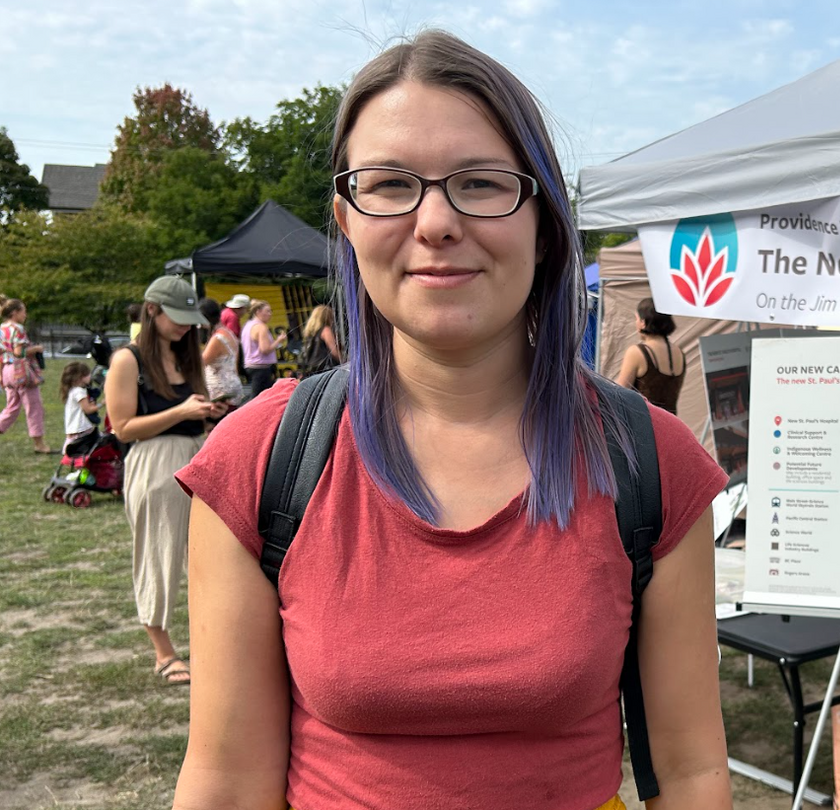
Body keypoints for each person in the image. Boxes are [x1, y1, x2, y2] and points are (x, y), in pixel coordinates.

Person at [172, 30, 731, 810]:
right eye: (392, 185)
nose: (434, 221)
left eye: (480, 183)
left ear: (543, 224)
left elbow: (694, 774)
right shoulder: (258, 462)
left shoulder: (654, 464)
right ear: (347, 219)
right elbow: (228, 782)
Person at [105, 276, 227, 687]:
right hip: (155, 464)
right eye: (178, 318)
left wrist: (209, 411)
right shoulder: (128, 360)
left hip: (197, 455)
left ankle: (214, 642)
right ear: (152, 310)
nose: (185, 327)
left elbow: (188, 411)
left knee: (208, 556)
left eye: (189, 319)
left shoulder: (186, 356)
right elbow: (122, 427)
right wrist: (181, 412)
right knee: (157, 553)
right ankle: (163, 651)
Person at [0, 298, 55, 453]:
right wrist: (36, 348)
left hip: (7, 371)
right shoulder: (18, 329)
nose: (25, 314)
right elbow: (19, 352)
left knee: (11, 407)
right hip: (21, 372)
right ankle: (39, 444)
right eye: (23, 311)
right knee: (34, 407)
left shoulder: (1, 328)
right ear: (14, 313)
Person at [615, 298, 686, 414]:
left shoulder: (637, 352)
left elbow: (619, 393)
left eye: (636, 318)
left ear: (643, 322)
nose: (635, 323)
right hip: (671, 424)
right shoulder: (679, 353)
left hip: (643, 425)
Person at [199, 298, 244, 408]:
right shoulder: (229, 333)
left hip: (220, 391)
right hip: (231, 385)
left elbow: (201, 362)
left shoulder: (218, 338)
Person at [241, 299, 286, 397]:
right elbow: (265, 349)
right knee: (260, 397)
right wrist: (278, 341)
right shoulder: (261, 327)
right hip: (261, 366)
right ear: (258, 312)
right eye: (267, 311)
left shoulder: (247, 325)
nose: (270, 314)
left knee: (257, 395)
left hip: (250, 364)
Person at [59, 361, 102, 456]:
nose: (90, 376)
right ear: (80, 377)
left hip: (73, 430)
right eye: (87, 374)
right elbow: (88, 410)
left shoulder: (72, 390)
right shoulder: (80, 392)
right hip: (81, 429)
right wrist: (102, 404)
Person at [298, 303, 342, 376]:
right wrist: (344, 361)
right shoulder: (326, 330)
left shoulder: (309, 333)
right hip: (325, 368)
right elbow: (333, 350)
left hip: (312, 367)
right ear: (327, 317)